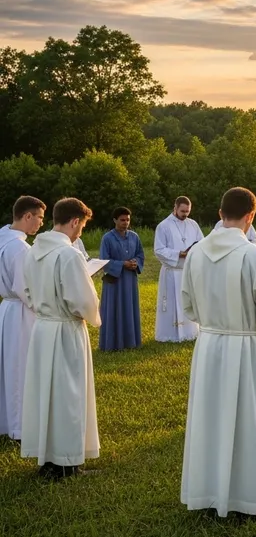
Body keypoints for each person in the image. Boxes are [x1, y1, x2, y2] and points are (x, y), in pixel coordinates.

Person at [180, 187, 256, 518]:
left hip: (209, 344)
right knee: (249, 420)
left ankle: (209, 494)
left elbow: (187, 304)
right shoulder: (255, 256)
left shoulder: (196, 253)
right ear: (251, 216)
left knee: (211, 420)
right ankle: (250, 500)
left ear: (219, 213)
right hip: (244, 345)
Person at [21, 198, 101, 480]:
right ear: (75, 221)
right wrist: (91, 309)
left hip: (43, 329)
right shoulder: (68, 255)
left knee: (47, 395)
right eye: (82, 226)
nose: (80, 233)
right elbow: (82, 300)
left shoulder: (33, 251)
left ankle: (49, 458)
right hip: (66, 330)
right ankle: (67, 462)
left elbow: (27, 292)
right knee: (69, 395)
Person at [0, 196, 46, 440]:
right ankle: (19, 426)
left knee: (7, 366)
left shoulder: (3, 238)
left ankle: (7, 421)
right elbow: (26, 288)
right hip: (20, 312)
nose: (40, 223)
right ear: (27, 216)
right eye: (39, 217)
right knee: (20, 368)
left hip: (6, 308)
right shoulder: (20, 249)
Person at [154, 196, 204, 343]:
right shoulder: (163, 226)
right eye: (182, 211)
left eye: (188, 211)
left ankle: (190, 332)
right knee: (170, 304)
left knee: (188, 301)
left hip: (187, 271)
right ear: (175, 208)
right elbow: (159, 250)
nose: (185, 214)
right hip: (172, 271)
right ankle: (169, 335)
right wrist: (179, 254)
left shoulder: (193, 224)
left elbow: (201, 243)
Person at [99, 207, 145, 351]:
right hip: (115, 280)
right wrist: (122, 264)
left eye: (128, 220)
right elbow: (104, 261)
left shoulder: (134, 237)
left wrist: (135, 262)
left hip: (130, 280)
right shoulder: (107, 238)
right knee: (114, 309)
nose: (125, 223)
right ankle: (113, 344)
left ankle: (131, 342)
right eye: (122, 220)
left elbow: (140, 254)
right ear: (115, 220)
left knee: (129, 308)